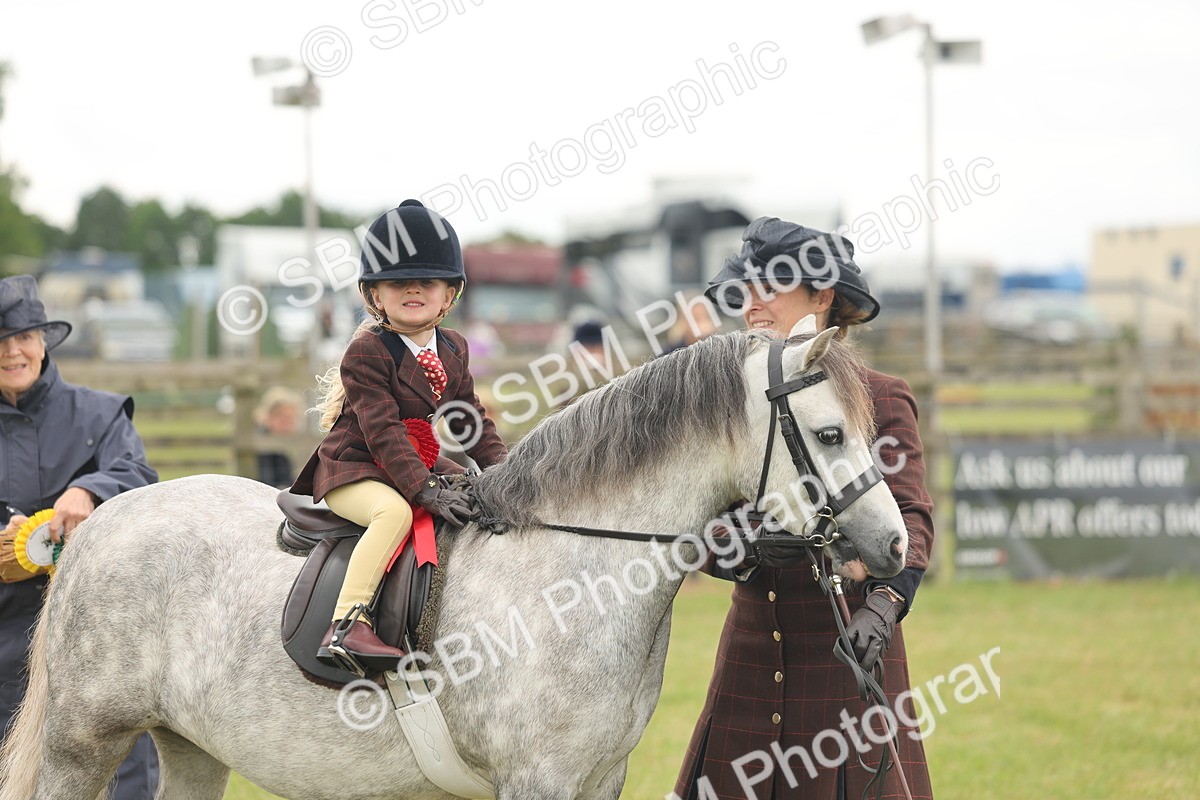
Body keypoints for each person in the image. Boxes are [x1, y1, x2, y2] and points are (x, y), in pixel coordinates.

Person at [675, 218, 935, 799]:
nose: (752, 304)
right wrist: (738, 547)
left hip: (846, 659)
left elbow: (912, 517)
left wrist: (886, 605)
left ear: (820, 296)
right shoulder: (727, 407)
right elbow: (699, 523)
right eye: (746, 290)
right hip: (749, 655)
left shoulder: (881, 396)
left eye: (771, 287)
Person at [290, 199, 508, 673]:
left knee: (473, 495)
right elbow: (383, 431)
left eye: (428, 282)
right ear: (374, 295)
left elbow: (469, 418)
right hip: (357, 467)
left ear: (451, 293)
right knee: (391, 515)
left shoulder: (453, 348)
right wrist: (423, 488)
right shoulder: (367, 351)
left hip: (412, 462)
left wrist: (506, 474)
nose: (414, 289)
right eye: (397, 283)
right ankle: (347, 623)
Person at [0, 275, 160, 799]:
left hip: (98, 631)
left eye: (23, 337)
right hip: (4, 631)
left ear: (43, 341)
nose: (13, 351)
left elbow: (138, 475)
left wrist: (90, 490)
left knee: (118, 760)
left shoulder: (101, 413)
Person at [255, 385, 304, 489]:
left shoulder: (283, 443)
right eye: (283, 417)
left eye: (292, 418)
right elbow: (268, 483)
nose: (288, 424)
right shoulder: (262, 444)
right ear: (268, 416)